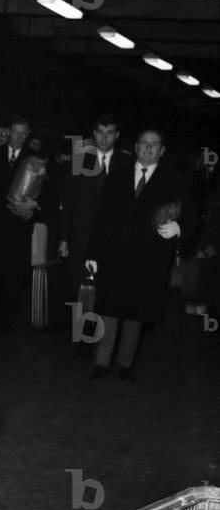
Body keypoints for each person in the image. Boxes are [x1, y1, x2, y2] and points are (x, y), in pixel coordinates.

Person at [85, 127, 199, 380]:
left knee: (136, 311)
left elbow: (192, 215)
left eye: (154, 144)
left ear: (162, 150)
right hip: (113, 255)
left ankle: (126, 364)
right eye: (144, 143)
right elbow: (101, 217)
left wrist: (178, 227)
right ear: (135, 147)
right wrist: (92, 254)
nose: (148, 148)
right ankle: (101, 363)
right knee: (110, 308)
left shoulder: (173, 180)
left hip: (148, 258)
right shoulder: (117, 177)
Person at [0, 115, 42, 333]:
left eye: (22, 133)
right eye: (14, 132)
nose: (17, 137)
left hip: (19, 229)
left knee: (14, 278)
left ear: (27, 135)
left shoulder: (36, 160)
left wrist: (33, 207)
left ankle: (6, 322)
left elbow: (44, 195)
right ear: (8, 132)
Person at [58, 114, 128, 302]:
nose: (104, 138)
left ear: (117, 135)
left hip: (111, 239)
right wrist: (64, 238)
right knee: (78, 289)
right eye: (100, 132)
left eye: (110, 133)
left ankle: (100, 330)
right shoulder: (80, 160)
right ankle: (80, 330)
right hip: (81, 237)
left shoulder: (126, 164)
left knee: (105, 290)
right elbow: (69, 201)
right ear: (94, 134)